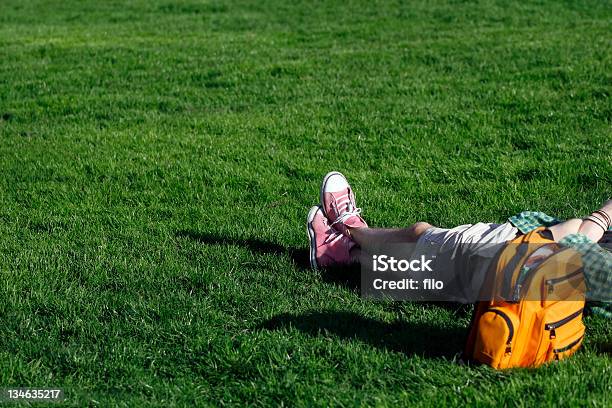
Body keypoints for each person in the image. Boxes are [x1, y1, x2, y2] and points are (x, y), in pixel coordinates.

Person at [307, 171, 611, 310]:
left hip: (518, 258)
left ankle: (348, 228)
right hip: (524, 254)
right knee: (421, 268)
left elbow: (578, 242)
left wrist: (602, 216)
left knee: (419, 237)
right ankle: (344, 254)